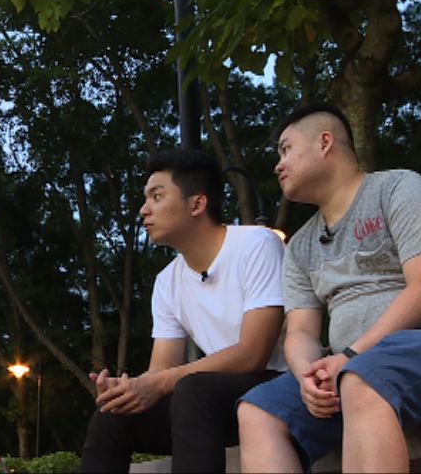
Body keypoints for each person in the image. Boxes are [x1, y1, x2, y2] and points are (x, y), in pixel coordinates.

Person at [236, 103, 421, 473]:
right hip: (356, 373)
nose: (277, 165)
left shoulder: (400, 189)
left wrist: (351, 355)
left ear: (324, 143)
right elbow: (300, 332)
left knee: (361, 378)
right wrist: (308, 376)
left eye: (286, 150)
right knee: (258, 410)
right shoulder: (299, 247)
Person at [79, 148, 288, 473]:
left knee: (193, 388)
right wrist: (128, 390)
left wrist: (161, 381)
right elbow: (161, 371)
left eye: (157, 196)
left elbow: (253, 354)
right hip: (214, 403)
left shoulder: (257, 244)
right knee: (113, 415)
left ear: (197, 204)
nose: (144, 210)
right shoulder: (167, 281)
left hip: (280, 388)